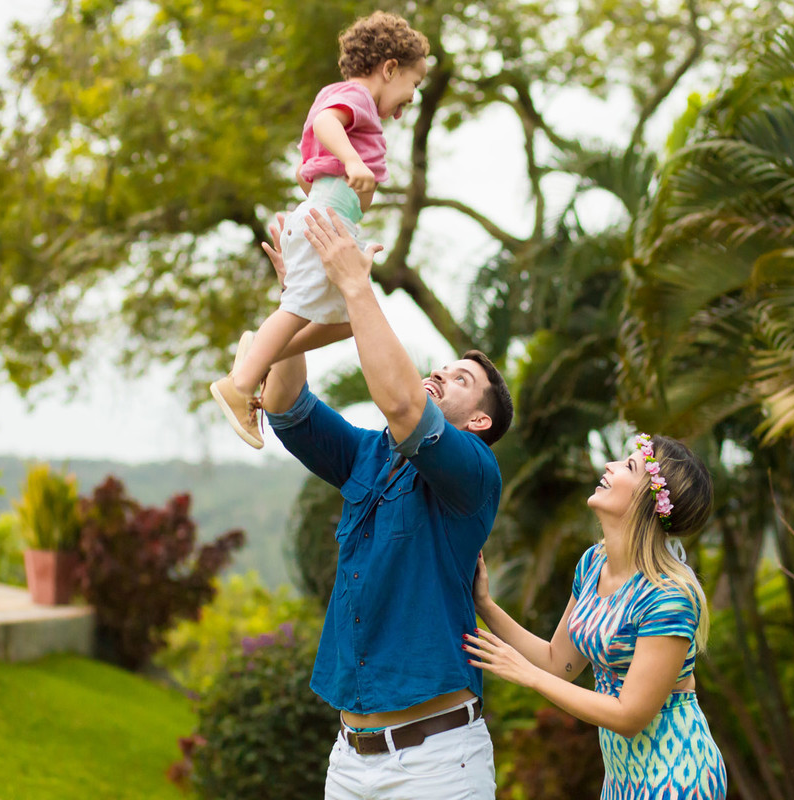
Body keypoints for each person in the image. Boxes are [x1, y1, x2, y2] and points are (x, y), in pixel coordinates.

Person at [258, 206, 514, 799]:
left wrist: (355, 285)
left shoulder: (475, 473)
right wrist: (296, 298)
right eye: (442, 366)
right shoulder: (367, 455)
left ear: (477, 419)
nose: (439, 374)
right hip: (350, 761)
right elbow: (284, 401)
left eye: (459, 379)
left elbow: (404, 408)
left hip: (438, 764)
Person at [464, 433, 728, 799]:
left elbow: (629, 715)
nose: (610, 465)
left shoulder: (668, 597)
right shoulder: (593, 565)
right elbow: (559, 663)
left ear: (649, 502)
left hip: (676, 773)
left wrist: (528, 676)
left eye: (629, 466)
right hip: (621, 774)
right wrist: (486, 606)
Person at [210, 11, 430, 448]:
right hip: (327, 219)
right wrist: (351, 161)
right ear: (389, 69)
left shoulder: (354, 104)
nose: (410, 101)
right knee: (296, 308)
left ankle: (260, 356)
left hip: (328, 215)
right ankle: (240, 385)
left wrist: (331, 177)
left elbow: (304, 169)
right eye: (413, 84)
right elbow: (328, 125)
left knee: (351, 318)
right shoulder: (356, 98)